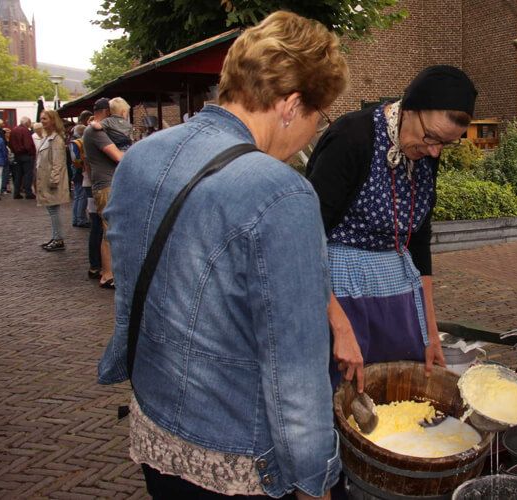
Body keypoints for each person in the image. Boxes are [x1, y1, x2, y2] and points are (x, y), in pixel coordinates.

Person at [97, 11, 349, 499]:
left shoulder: (142, 157)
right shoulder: (281, 192)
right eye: (320, 117)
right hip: (236, 456)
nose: (313, 134)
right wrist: (315, 479)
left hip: (155, 431)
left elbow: (130, 287)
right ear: (292, 105)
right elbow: (294, 369)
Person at [306, 65, 477, 392]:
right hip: (336, 290)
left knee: (397, 390)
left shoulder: (426, 147)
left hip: (394, 288)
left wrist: (429, 332)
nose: (434, 151)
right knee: (341, 395)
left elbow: (419, 240)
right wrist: (341, 330)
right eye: (431, 138)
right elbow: (305, 238)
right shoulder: (351, 138)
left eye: (445, 144)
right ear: (409, 110)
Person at [83, 97, 124, 289]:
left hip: (102, 183)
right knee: (110, 230)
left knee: (106, 229)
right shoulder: (95, 131)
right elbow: (117, 156)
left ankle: (103, 270)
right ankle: (107, 275)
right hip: (107, 184)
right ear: (108, 112)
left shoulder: (95, 129)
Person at [34, 110, 70, 251]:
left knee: (54, 210)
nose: (42, 121)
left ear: (52, 121)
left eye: (45, 119)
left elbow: (58, 162)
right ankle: (56, 236)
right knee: (52, 210)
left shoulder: (56, 140)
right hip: (46, 179)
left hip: (51, 181)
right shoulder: (48, 138)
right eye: (41, 119)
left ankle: (58, 238)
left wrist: (54, 180)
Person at [8, 116, 36, 199]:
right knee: (28, 175)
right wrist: (31, 153)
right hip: (26, 155)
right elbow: (28, 145)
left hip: (17, 155)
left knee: (18, 175)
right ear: (27, 123)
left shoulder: (14, 130)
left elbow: (10, 144)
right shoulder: (25, 131)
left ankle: (16, 192)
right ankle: (28, 192)